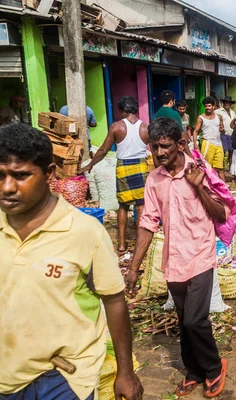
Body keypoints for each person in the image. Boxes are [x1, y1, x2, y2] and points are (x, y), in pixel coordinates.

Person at [0, 123, 143, 400]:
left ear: (49, 174)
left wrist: (125, 371)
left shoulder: (84, 232)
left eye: (20, 176)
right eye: (0, 175)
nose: (7, 187)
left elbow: (113, 300)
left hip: (63, 377)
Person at [126, 117, 228, 398]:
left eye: (165, 147)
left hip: (201, 256)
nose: (159, 153)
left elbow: (222, 213)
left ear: (180, 143)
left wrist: (197, 187)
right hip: (174, 260)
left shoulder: (201, 170)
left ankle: (214, 368)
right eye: (154, 147)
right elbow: (148, 222)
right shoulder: (154, 179)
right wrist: (134, 268)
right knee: (183, 320)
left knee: (196, 320)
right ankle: (193, 371)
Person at [78, 96, 149, 254]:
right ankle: (139, 244)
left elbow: (103, 150)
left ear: (123, 110)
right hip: (141, 167)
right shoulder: (145, 127)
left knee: (123, 207)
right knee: (141, 206)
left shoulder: (117, 127)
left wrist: (90, 165)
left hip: (123, 167)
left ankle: (122, 244)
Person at [193, 96, 225, 180]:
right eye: (206, 106)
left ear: (214, 106)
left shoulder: (219, 117)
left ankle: (224, 189)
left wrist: (222, 130)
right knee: (206, 167)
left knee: (220, 168)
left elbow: (222, 130)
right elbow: (195, 131)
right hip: (207, 144)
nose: (207, 108)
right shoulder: (201, 118)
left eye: (209, 106)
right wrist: (195, 144)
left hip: (218, 144)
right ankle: (206, 188)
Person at [215, 96, 236, 168]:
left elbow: (234, 123)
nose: (228, 104)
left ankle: (230, 169)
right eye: (226, 103)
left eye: (229, 103)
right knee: (223, 153)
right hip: (223, 135)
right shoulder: (218, 112)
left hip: (232, 135)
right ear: (223, 103)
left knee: (231, 153)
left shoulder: (232, 112)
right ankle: (222, 169)